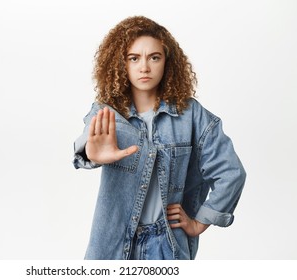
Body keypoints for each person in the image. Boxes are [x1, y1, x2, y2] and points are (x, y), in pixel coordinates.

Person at [73, 16, 246, 260]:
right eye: (134, 58)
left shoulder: (191, 115)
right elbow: (85, 142)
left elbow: (231, 172)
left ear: (167, 62)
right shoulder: (108, 112)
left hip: (166, 245)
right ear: (121, 64)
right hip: (113, 244)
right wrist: (90, 153)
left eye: (154, 57)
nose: (144, 67)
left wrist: (200, 221)